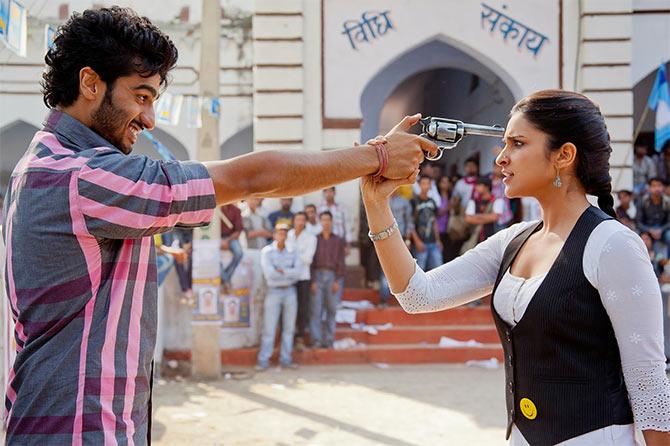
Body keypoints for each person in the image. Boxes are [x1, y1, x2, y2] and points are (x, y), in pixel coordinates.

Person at [1, 7, 436, 443]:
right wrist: (377, 156)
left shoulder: (46, 165)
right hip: (74, 429)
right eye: (141, 96)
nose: (149, 119)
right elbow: (250, 178)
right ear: (91, 83)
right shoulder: (79, 177)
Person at [361, 90, 669, 445]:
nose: (501, 158)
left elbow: (649, 384)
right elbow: (418, 295)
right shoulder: (514, 240)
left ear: (564, 155)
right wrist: (376, 203)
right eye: (505, 143)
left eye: (517, 143)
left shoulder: (614, 245)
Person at [256, 224, 301, 371]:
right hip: (273, 292)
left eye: (285, 233)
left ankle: (286, 360)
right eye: (280, 233)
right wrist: (288, 272)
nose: (282, 236)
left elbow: (298, 272)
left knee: (289, 329)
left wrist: (282, 271)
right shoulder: (267, 252)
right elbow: (269, 274)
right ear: (274, 235)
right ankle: (263, 361)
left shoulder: (293, 251)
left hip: (290, 292)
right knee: (269, 328)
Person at [309, 211, 346, 348]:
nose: (326, 222)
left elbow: (341, 261)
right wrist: (312, 281)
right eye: (323, 220)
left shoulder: (337, 240)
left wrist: (337, 280)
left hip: (332, 276)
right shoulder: (315, 239)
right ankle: (316, 340)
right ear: (320, 222)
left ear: (331, 222)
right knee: (316, 310)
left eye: (328, 220)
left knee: (331, 309)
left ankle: (329, 340)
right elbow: (311, 261)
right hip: (317, 275)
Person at [286, 212, 317, 351]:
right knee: (288, 307)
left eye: (302, 220)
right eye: (297, 219)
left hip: (303, 277)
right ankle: (288, 338)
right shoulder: (288, 235)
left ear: (305, 222)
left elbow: (308, 259)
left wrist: (291, 258)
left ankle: (300, 337)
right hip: (288, 278)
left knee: (302, 308)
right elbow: (284, 255)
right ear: (293, 221)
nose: (299, 222)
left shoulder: (311, 237)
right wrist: (297, 257)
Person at [379, 189, 414, 307]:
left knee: (403, 269)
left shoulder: (404, 202)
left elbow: (409, 221)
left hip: (401, 239)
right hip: (385, 239)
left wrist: (408, 240)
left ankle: (405, 301)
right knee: (385, 269)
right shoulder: (382, 201)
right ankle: (384, 300)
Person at [410, 175, 443, 271]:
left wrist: (438, 240)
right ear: (419, 185)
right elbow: (410, 223)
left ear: (430, 186)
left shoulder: (432, 202)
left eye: (427, 184)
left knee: (439, 269)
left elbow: (434, 221)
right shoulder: (414, 202)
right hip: (420, 242)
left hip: (433, 242)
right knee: (420, 271)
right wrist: (417, 241)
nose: (425, 186)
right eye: (423, 183)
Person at [464, 176, 505, 246]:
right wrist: (487, 217)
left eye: (479, 185)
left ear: (486, 187)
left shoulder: (497, 200)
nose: (476, 187)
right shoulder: (473, 201)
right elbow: (467, 218)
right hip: (475, 238)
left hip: (492, 238)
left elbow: (495, 217)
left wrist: (475, 217)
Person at [636, 177, 670, 256]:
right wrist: (649, 230)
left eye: (659, 185)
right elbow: (638, 222)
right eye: (654, 186)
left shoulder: (667, 202)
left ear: (663, 187)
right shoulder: (643, 201)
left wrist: (661, 230)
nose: (657, 188)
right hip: (647, 229)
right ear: (649, 188)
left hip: (663, 229)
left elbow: (669, 222)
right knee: (642, 239)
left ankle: (668, 261)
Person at [219, 203, 244, 289]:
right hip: (216, 237)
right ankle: (226, 280)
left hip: (230, 237)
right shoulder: (214, 209)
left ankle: (225, 277)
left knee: (239, 252)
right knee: (211, 253)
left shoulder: (236, 210)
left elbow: (238, 230)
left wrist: (227, 241)